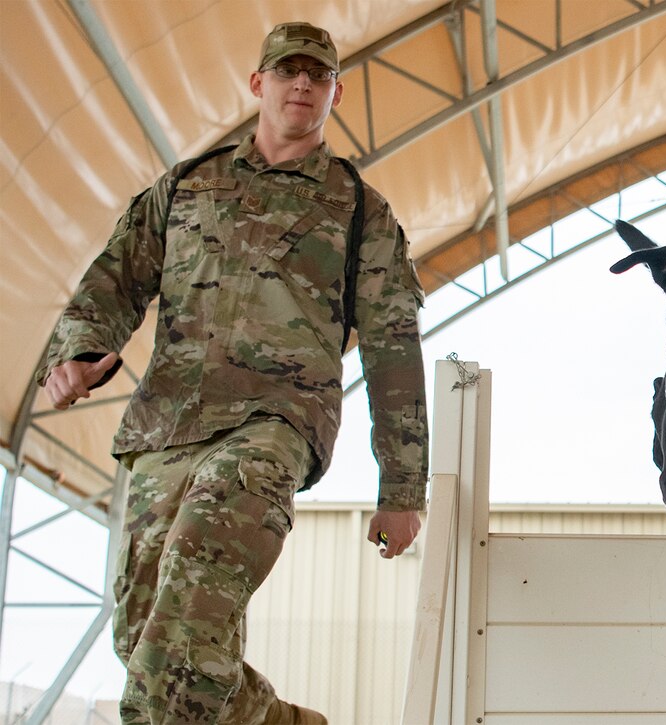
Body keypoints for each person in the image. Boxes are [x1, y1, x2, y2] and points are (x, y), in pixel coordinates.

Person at [36, 21, 428, 724]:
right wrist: (77, 351)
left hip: (272, 425)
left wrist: (401, 487)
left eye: (318, 74)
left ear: (336, 93)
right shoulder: (189, 184)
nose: (302, 84)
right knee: (148, 637)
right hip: (166, 425)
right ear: (260, 84)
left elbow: (392, 347)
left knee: (189, 603)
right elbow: (116, 276)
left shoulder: (359, 210)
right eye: (288, 71)